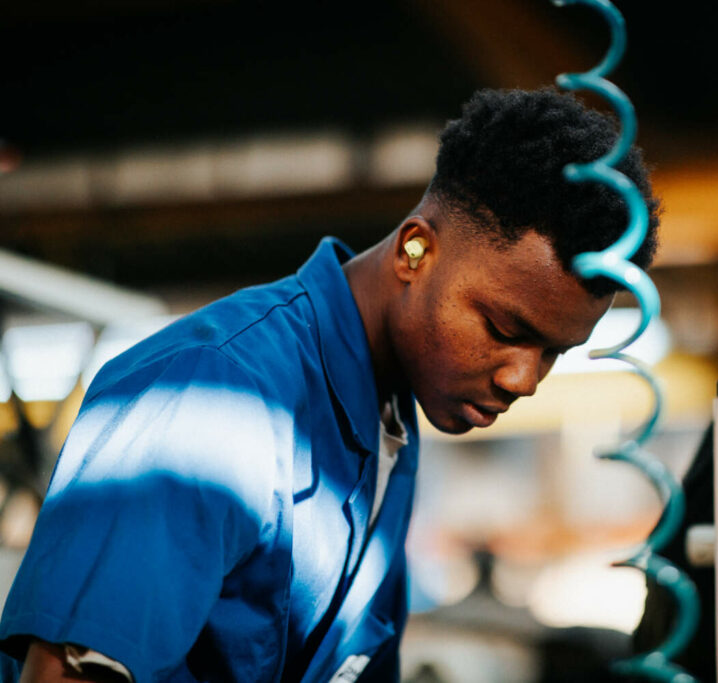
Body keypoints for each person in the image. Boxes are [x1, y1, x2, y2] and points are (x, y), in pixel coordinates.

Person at [0, 88, 660, 682]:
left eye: (554, 352)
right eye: (503, 327)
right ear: (415, 251)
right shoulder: (210, 396)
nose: (523, 378)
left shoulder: (387, 425)